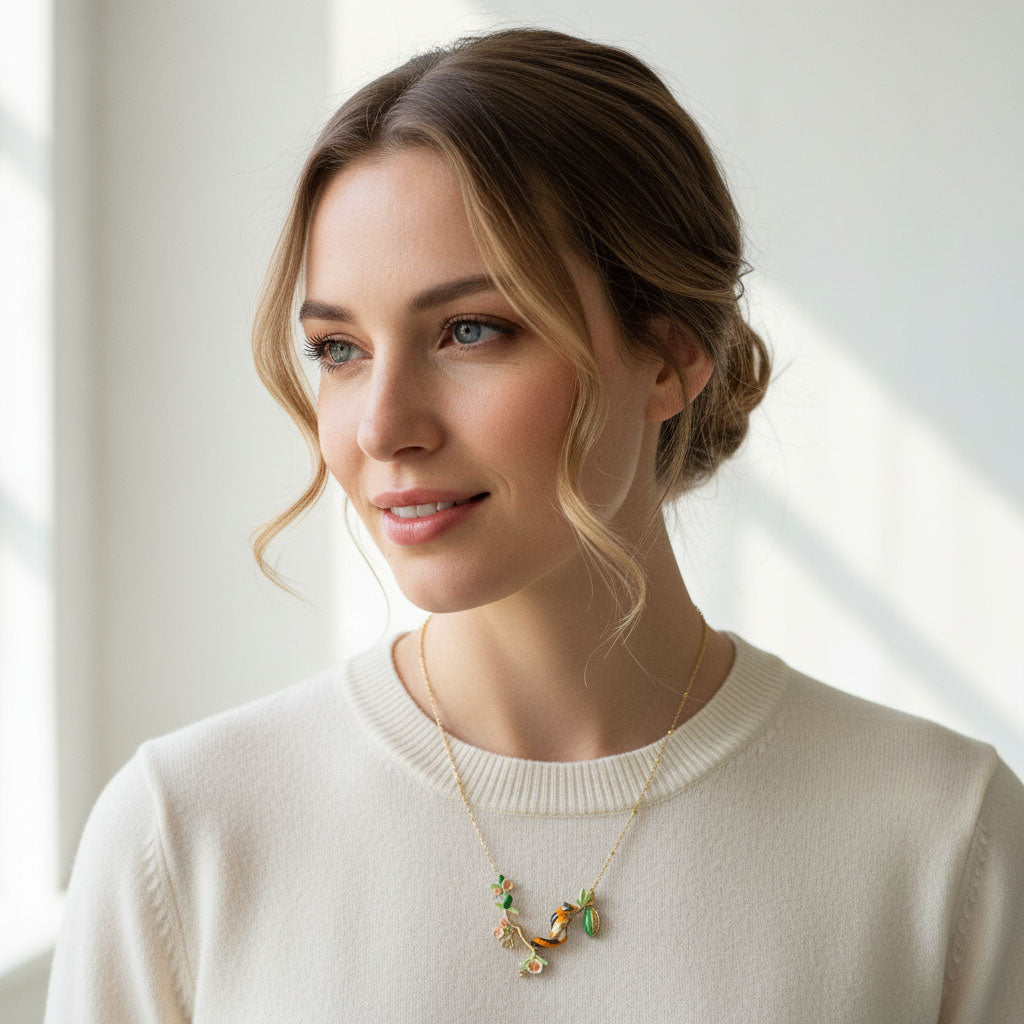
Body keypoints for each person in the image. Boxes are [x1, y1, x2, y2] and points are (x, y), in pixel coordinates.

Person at [45, 26, 1023, 1022]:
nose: (382, 425)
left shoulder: (941, 834)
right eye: (337, 348)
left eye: (470, 331)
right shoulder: (187, 831)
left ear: (669, 354)